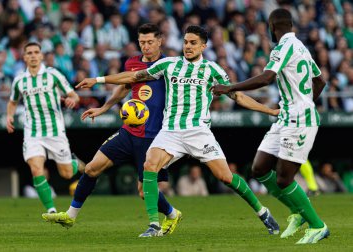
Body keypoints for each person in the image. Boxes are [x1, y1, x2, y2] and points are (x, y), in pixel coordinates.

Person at [75, 25, 280, 238]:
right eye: (185, 42)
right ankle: (154, 225)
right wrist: (98, 80)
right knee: (149, 166)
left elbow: (239, 96)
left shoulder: (213, 70)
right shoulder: (169, 64)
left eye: (193, 43)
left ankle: (262, 211)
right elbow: (134, 77)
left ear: (203, 46)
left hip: (198, 132)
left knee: (225, 177)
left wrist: (270, 110)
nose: (188, 46)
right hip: (170, 131)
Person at [42, 24, 182, 235]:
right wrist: (104, 107)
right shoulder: (132, 63)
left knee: (144, 192)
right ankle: (70, 216)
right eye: (142, 42)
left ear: (160, 41)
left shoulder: (169, 65)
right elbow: (125, 86)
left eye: (150, 42)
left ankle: (170, 215)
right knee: (91, 168)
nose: (145, 46)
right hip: (129, 131)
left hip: (154, 137)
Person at [211, 9, 329, 244]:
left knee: (285, 178)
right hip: (286, 116)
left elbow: (266, 77)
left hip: (299, 119)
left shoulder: (284, 48)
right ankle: (297, 213)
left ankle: (318, 226)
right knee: (260, 169)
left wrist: (230, 87)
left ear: (272, 26)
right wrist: (301, 101)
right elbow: (320, 81)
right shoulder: (301, 47)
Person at [7, 42, 85, 214]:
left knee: (66, 173)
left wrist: (72, 99)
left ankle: (74, 162)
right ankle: (51, 210)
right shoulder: (19, 80)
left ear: (41, 56)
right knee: (36, 169)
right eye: (29, 53)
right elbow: (13, 101)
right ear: (24, 57)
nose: (33, 55)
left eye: (36, 52)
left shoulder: (53, 75)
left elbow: (73, 95)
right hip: (32, 132)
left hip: (55, 130)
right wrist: (9, 116)